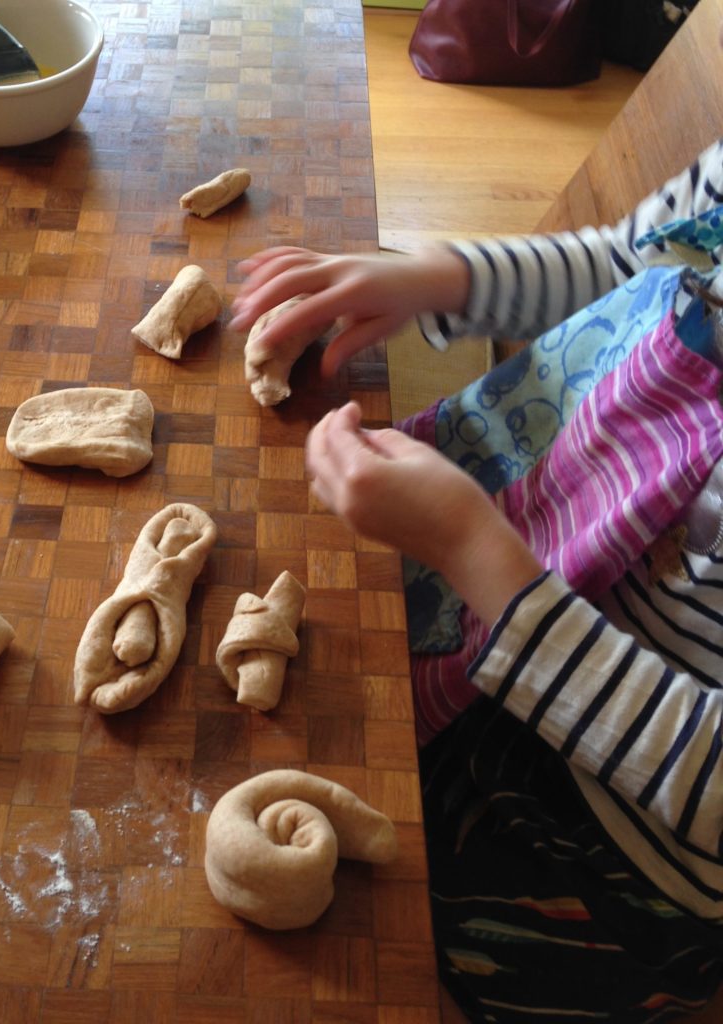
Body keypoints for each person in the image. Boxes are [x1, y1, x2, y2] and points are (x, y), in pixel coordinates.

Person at [229, 137, 723, 1020]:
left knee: (351, 965)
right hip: (548, 561)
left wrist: (469, 548)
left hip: (622, 849)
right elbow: (632, 258)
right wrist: (438, 278)